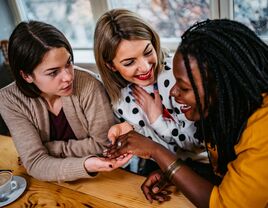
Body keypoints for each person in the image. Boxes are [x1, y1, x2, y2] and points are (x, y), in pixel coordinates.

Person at [107, 19, 268, 207]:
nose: (174, 93)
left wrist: (156, 151)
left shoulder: (263, 130)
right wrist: (177, 172)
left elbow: (224, 204)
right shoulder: (232, 111)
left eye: (184, 87)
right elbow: (229, 175)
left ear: (221, 87)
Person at [0, 20, 132, 182]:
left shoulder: (88, 84)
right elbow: (35, 164)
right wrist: (84, 164)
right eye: (53, 72)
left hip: (104, 179)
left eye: (68, 63)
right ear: (26, 76)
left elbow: (105, 145)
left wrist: (49, 150)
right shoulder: (9, 100)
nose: (69, 77)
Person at [94, 9, 207, 175]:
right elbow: (150, 144)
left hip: (197, 169)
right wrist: (128, 129)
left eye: (148, 52)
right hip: (159, 170)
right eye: (129, 62)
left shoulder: (176, 78)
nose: (146, 67)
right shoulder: (118, 97)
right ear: (111, 66)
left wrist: (157, 120)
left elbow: (194, 144)